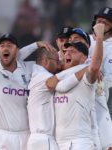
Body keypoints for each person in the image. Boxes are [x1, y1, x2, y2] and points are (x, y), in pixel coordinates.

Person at [46, 23, 104, 149]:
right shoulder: (59, 74)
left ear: (84, 57)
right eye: (66, 51)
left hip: (80, 141)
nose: (67, 54)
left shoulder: (86, 77)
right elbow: (49, 84)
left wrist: (99, 37)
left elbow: (94, 67)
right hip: (59, 143)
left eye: (72, 51)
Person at [27, 47, 88, 150]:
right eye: (57, 61)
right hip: (45, 140)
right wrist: (87, 68)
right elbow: (64, 82)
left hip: (35, 140)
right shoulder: (43, 77)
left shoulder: (35, 75)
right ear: (45, 61)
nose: (60, 65)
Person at [89, 7, 112, 150]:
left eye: (106, 23)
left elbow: (109, 79)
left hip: (100, 94)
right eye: (99, 21)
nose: (101, 25)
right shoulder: (82, 39)